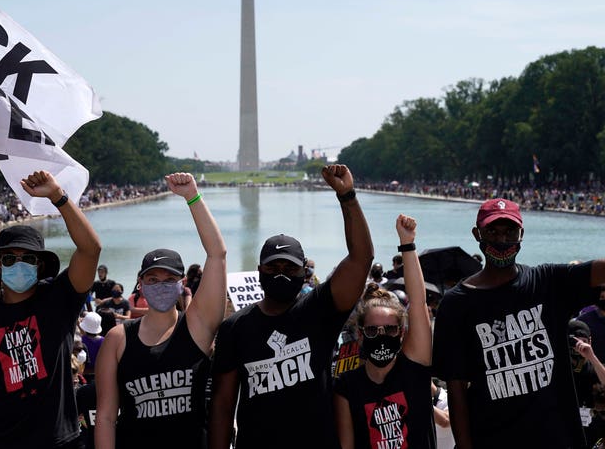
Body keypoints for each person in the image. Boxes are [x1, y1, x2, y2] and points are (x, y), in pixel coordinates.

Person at [431, 171, 605, 449]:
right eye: (493, 231)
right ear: (477, 234)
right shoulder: (457, 303)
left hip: (558, 439)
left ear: (521, 234)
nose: (502, 239)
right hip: (493, 440)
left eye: (510, 231)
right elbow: (457, 387)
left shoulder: (548, 282)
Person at [209, 164, 375, 449]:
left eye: (290, 267)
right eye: (273, 267)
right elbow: (223, 408)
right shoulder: (234, 328)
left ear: (303, 273)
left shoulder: (320, 310)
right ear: (259, 270)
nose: (281, 274)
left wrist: (347, 197)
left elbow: (361, 259)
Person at [0, 170, 101, 449]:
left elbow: (90, 250)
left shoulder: (60, 299)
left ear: (40, 266)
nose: (18, 264)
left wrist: (57, 197)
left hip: (62, 442)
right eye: (10, 258)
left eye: (28, 259)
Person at [96, 173, 227, 449]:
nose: (161, 286)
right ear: (140, 284)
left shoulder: (196, 327)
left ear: (181, 284)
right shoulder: (118, 340)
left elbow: (217, 254)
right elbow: (106, 417)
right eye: (153, 280)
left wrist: (193, 196)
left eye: (169, 280)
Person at [333, 214, 435, 448]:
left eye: (389, 330)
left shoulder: (414, 369)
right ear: (359, 334)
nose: (381, 336)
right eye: (372, 330)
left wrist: (407, 244)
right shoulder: (347, 386)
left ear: (401, 333)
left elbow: (418, 303)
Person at [568, 320, 605, 447]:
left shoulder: (601, 369)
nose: (578, 348)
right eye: (574, 342)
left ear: (590, 342)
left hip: (593, 435)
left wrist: (591, 357)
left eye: (583, 342)